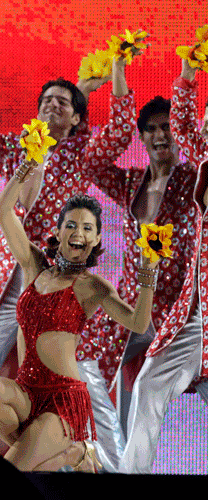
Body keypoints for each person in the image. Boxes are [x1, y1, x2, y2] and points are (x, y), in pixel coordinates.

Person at [0, 37, 136, 470]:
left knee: (80, 375)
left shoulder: (82, 154)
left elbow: (122, 129)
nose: (52, 105)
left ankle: (115, 466)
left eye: (63, 102)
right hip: (13, 274)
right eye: (46, 99)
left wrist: (118, 67)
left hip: (61, 280)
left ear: (79, 117)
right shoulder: (20, 148)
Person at [0, 160, 157, 471]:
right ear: (59, 231)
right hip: (25, 393)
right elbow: (3, 210)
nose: (78, 232)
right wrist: (27, 167)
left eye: (88, 228)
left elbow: (139, 323)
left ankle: (63, 449)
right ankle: (71, 455)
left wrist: (148, 275)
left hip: (62, 403)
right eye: (71, 225)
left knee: (13, 470)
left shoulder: (92, 287)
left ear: (97, 239)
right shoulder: (34, 265)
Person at [112, 58, 208, 473]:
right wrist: (187, 75)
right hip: (189, 315)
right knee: (148, 384)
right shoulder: (194, 170)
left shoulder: (189, 179)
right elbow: (187, 130)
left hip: (180, 312)